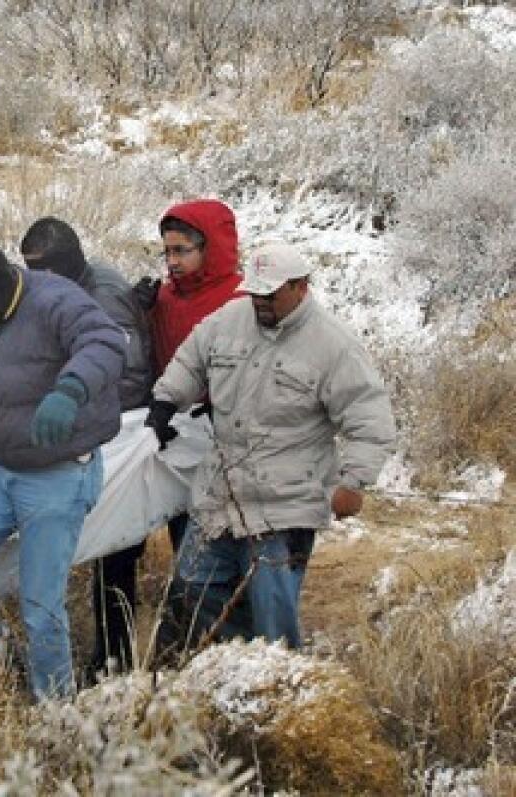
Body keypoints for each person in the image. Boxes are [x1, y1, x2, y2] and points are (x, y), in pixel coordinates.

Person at [147, 242, 397, 660]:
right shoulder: (228, 320)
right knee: (194, 590)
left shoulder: (334, 346)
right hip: (218, 496)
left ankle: (280, 697)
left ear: (300, 288)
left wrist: (354, 482)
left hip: (286, 505)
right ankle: (226, 679)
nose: (260, 302)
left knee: (273, 618)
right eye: (255, 293)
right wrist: (166, 401)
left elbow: (369, 419)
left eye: (270, 294)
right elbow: (190, 362)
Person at [0, 233, 126, 700]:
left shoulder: (57, 301)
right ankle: (1, 660)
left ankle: (56, 712)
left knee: (41, 607)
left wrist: (71, 389)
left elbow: (104, 342)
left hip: (59, 472)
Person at [20, 217, 153, 679]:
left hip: (119, 436)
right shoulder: (56, 292)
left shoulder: (105, 296)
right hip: (86, 431)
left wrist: (75, 413)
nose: (38, 280)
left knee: (115, 550)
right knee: (98, 547)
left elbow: (130, 377)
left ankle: (116, 658)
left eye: (45, 270)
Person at [139, 199, 243, 551]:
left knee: (218, 525)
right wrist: (138, 314)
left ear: (209, 247)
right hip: (174, 424)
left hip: (226, 431)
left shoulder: (240, 299)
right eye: (166, 252)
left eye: (181, 251)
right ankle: (186, 599)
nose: (172, 262)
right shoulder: (166, 297)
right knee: (181, 519)